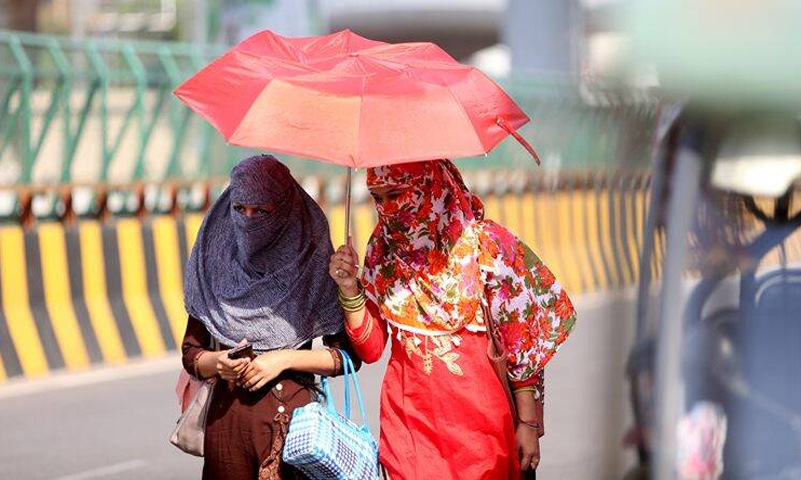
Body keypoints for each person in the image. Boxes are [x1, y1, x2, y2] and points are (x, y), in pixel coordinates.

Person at [329, 160, 576, 479]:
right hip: (409, 432)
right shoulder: (382, 251)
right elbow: (372, 348)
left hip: (482, 434)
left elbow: (520, 340)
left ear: (427, 188)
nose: (387, 209)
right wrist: (350, 289)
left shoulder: (484, 244)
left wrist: (527, 422)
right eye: (377, 198)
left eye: (396, 195)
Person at [181, 155, 358, 480]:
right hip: (226, 431)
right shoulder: (214, 260)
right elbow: (191, 353)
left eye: (261, 211)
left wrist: (282, 360)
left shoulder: (311, 260)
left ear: (285, 210)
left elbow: (345, 358)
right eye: (240, 208)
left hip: (291, 433)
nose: (248, 220)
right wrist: (218, 363)